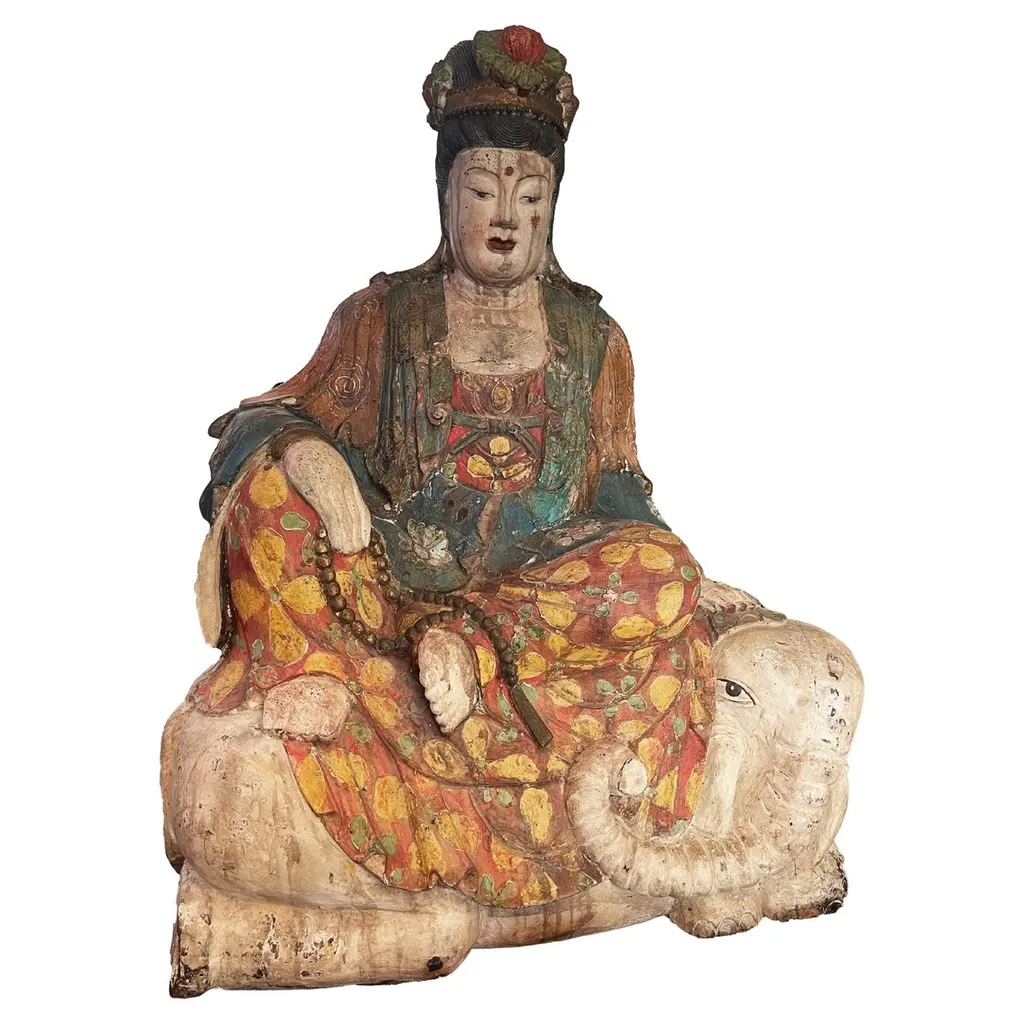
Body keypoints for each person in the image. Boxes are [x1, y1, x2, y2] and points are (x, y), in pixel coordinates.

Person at [186, 26, 714, 910]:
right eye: (481, 190)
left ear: (553, 207)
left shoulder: (595, 339)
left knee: (664, 573)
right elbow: (261, 420)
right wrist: (307, 451)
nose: (505, 216)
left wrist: (686, 573)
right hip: (395, 579)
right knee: (269, 491)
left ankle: (468, 646)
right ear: (445, 196)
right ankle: (314, 664)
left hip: (536, 599)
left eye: (529, 195)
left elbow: (619, 494)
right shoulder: (382, 317)